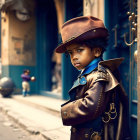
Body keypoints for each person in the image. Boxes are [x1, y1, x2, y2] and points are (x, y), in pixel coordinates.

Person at [55, 16, 131, 140]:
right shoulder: (88, 73)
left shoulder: (99, 76)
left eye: (79, 50)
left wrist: (66, 111)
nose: (74, 57)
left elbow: (91, 106)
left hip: (94, 134)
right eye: (70, 52)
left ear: (96, 51)